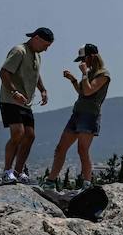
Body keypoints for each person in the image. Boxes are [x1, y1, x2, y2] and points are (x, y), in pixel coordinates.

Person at [46, 43, 110, 189]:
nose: (82, 62)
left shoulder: (103, 74)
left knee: (82, 150)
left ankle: (87, 184)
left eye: (84, 59)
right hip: (78, 113)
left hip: (90, 115)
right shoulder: (91, 73)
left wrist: (83, 74)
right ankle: (50, 181)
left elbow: (88, 91)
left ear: (91, 57)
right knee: (60, 148)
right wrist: (73, 80)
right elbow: (82, 92)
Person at [0, 26, 53, 184]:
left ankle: (18, 172)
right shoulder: (19, 51)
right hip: (10, 100)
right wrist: (14, 92)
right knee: (18, 133)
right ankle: (7, 172)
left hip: (25, 103)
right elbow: (3, 72)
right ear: (36, 39)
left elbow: (36, 73)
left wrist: (42, 89)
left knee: (30, 135)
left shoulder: (37, 56)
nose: (45, 49)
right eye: (45, 45)